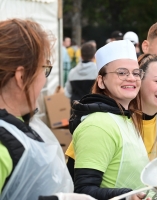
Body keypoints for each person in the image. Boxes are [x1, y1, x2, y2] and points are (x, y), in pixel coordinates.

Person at [0, 18, 95, 200]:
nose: (44, 80)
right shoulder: (3, 146)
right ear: (21, 77)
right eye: (44, 70)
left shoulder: (22, 123)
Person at [70, 40, 153, 200]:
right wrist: (126, 196)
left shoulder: (126, 117)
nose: (131, 78)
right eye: (122, 73)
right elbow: (83, 192)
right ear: (101, 81)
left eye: (136, 73)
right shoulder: (97, 125)